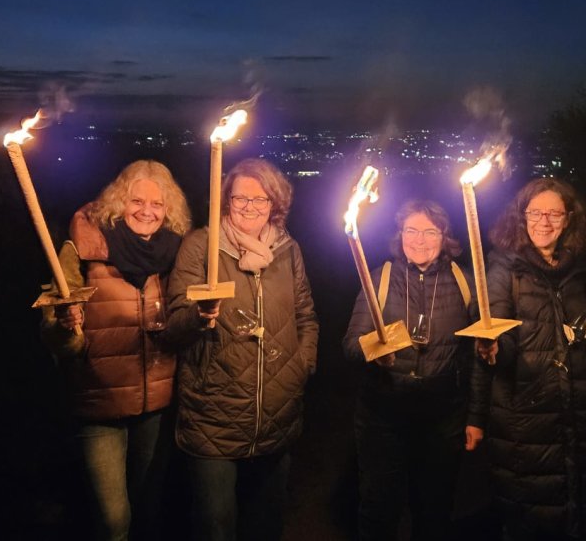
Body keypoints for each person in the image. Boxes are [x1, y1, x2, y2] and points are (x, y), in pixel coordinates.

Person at [165, 158, 318, 541]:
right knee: (216, 525)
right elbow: (173, 326)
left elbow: (306, 316)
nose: (250, 207)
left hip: (275, 414)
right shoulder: (201, 245)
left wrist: (302, 366)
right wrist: (199, 317)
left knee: (266, 524)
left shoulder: (287, 249)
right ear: (225, 200)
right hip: (214, 413)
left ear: (274, 204)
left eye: (260, 199)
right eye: (240, 198)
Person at [41, 159, 191, 540]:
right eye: (136, 201)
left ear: (169, 210)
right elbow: (58, 337)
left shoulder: (177, 252)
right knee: (113, 520)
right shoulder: (84, 248)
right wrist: (65, 326)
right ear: (118, 202)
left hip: (155, 403)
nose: (146, 211)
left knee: (147, 510)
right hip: (99, 402)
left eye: (157, 205)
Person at [469, 178, 586, 540]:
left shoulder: (585, 271)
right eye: (535, 213)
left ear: (569, 219)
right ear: (521, 218)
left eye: (554, 213)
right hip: (526, 416)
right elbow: (494, 339)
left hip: (584, 413)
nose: (544, 221)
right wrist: (492, 351)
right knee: (531, 514)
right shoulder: (504, 269)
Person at [342, 199, 479, 541]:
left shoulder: (465, 281)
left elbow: (476, 357)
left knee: (434, 508)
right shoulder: (382, 278)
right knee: (379, 507)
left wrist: (476, 416)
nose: (419, 240)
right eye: (411, 230)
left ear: (444, 236)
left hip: (442, 417)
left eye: (429, 232)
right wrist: (376, 350)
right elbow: (350, 345)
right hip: (384, 415)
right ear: (399, 234)